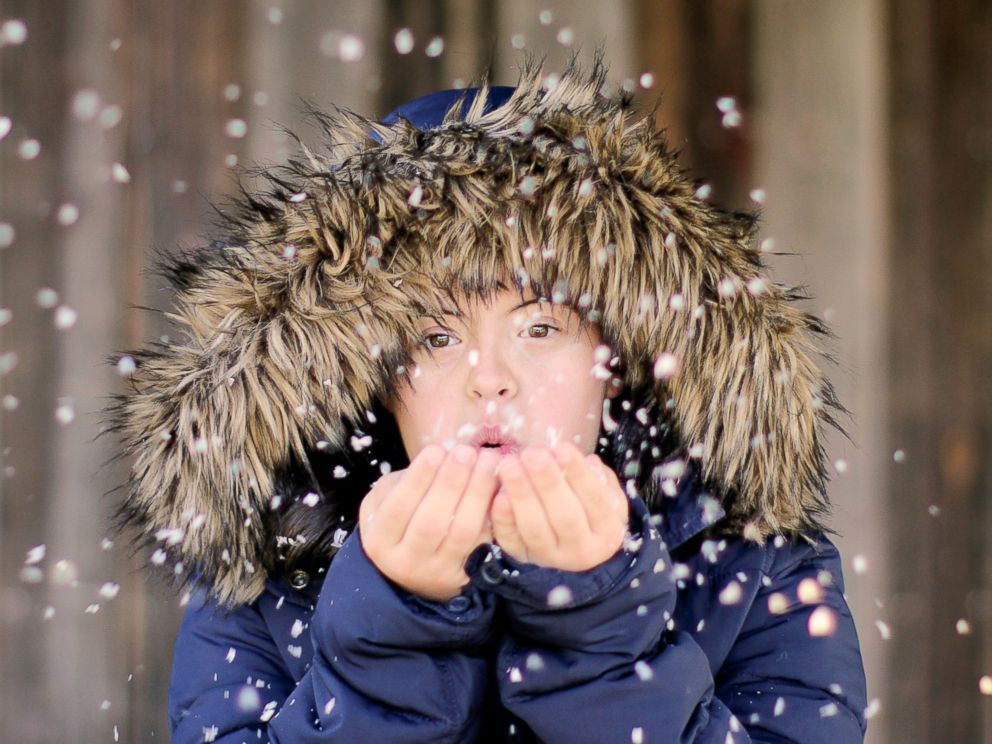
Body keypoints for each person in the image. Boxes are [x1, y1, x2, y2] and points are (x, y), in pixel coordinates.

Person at [106, 54, 868, 742]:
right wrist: (393, 626)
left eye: (540, 327)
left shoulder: (749, 559)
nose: (489, 376)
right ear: (368, 379)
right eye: (435, 339)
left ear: (622, 358)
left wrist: (598, 621)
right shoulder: (268, 568)